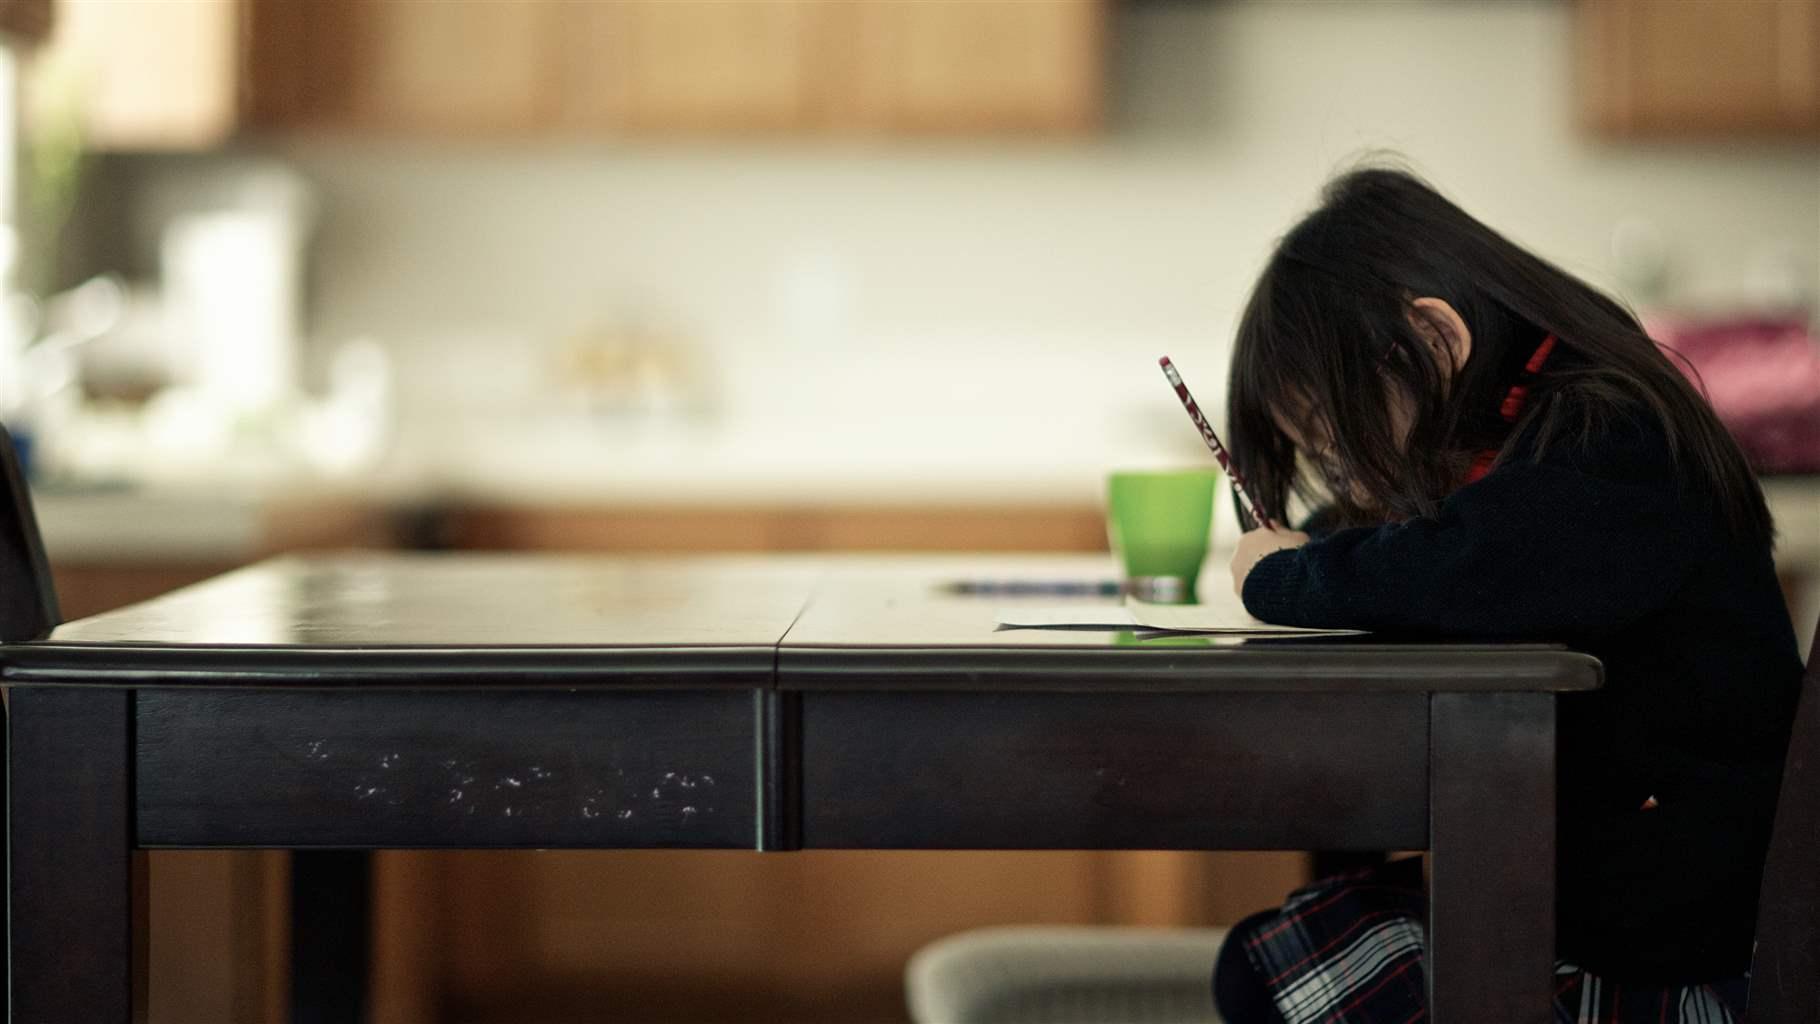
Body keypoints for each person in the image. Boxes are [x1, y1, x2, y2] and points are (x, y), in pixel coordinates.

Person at [1213, 166, 1804, 1023]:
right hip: (1625, 901)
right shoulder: (1559, 426)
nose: (1343, 467)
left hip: (1682, 957)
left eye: (1340, 436)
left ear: (1434, 339)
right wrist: (1331, 539)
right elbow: (1447, 543)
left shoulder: (1613, 437)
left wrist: (1283, 576)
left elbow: (1468, 562)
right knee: (1288, 942)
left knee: (1268, 969)